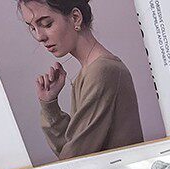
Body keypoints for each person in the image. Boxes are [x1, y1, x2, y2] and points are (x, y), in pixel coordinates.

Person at [20, 0, 144, 160]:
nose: (39, 37)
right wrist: (50, 105)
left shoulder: (102, 71)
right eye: (32, 28)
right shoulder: (89, 72)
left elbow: (73, 158)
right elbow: (70, 148)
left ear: (75, 18)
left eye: (46, 24)